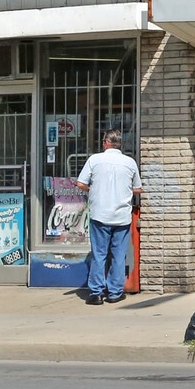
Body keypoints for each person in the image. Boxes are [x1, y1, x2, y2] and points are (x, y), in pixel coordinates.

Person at [76, 129, 142, 305]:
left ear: (106, 143)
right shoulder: (130, 162)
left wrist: (94, 190)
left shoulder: (94, 160)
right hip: (121, 216)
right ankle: (114, 293)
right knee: (119, 256)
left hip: (100, 214)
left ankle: (96, 293)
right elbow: (138, 188)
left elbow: (80, 183)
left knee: (99, 254)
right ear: (120, 144)